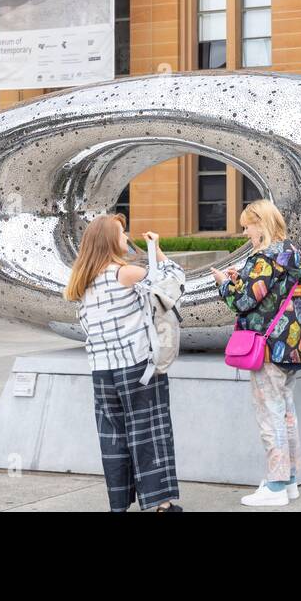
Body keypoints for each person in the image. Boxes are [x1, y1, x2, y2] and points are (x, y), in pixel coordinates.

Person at [64, 214, 182, 513]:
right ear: (108, 240)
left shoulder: (83, 279)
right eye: (121, 232)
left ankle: (118, 505)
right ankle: (161, 505)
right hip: (136, 367)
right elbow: (173, 281)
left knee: (113, 437)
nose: (126, 236)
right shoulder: (125, 273)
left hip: (101, 372)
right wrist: (156, 250)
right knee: (149, 432)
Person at [213, 199, 301, 508]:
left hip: (266, 347)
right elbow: (276, 294)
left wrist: (225, 284)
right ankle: (290, 480)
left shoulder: (263, 259)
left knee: (270, 417)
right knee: (287, 414)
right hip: (292, 345)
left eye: (247, 227)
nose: (246, 234)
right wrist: (242, 279)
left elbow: (242, 303)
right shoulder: (293, 253)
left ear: (261, 224)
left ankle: (276, 485)